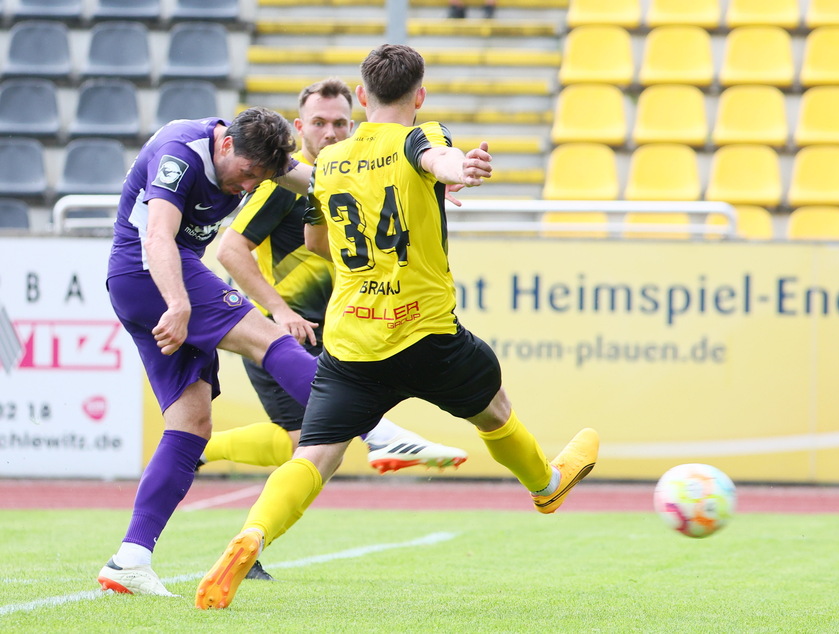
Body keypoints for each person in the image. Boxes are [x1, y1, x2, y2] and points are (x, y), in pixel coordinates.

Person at [195, 44, 599, 611]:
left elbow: (315, 242)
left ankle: (253, 534)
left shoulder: (332, 161)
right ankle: (545, 487)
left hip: (352, 343)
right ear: (420, 96)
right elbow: (437, 159)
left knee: (314, 456)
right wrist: (459, 171)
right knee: (496, 410)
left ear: (361, 98)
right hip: (427, 334)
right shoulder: (421, 135)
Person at [95, 106, 446, 598]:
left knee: (191, 425)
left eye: (259, 178)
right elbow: (156, 237)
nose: (246, 186)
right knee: (271, 339)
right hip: (148, 272)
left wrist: (423, 178)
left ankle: (129, 559)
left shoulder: (256, 155)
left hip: (148, 281)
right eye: (245, 175)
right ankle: (376, 431)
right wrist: (177, 303)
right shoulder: (181, 153)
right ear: (224, 147)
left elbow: (323, 181)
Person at [207, 79, 469, 580]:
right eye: (320, 123)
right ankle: (381, 440)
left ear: (356, 121)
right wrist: (278, 312)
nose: (331, 132)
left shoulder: (346, 174)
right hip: (282, 336)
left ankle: (198, 454)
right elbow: (229, 250)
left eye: (340, 123)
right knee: (310, 443)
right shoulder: (278, 187)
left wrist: (442, 176)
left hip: (326, 332)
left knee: (300, 444)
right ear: (299, 128)